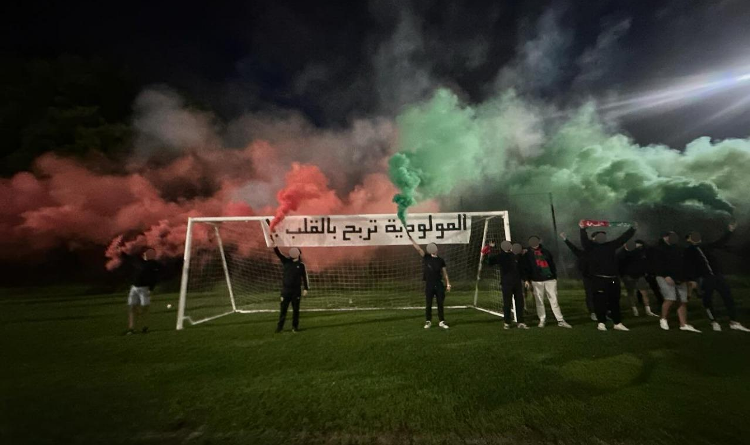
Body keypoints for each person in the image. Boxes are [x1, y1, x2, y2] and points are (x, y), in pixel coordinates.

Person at [684, 223, 750, 332]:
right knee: (707, 300)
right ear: (688, 239)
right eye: (692, 236)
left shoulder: (706, 246)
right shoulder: (688, 250)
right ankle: (714, 322)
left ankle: (734, 322)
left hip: (718, 276)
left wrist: (729, 231)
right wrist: (692, 279)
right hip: (705, 278)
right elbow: (688, 266)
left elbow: (720, 242)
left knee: (728, 298)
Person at [580, 222, 637, 331]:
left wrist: (632, 229)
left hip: (613, 279)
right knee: (599, 301)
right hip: (599, 279)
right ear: (595, 238)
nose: (602, 238)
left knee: (614, 301)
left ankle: (617, 323)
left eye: (604, 236)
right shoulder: (591, 247)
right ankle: (601, 322)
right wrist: (582, 229)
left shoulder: (610, 245)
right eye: (599, 236)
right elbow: (584, 240)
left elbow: (623, 238)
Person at [653, 231, 700, 333]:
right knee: (670, 298)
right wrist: (666, 275)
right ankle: (663, 319)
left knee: (683, 300)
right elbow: (657, 264)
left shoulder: (678, 248)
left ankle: (683, 324)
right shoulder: (658, 248)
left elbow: (685, 264)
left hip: (679, 277)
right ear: (665, 237)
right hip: (663, 276)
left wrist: (690, 278)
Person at [521, 236, 572, 328]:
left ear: (539, 241)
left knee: (554, 300)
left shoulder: (546, 252)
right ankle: (542, 319)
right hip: (536, 280)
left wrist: (554, 276)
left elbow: (552, 264)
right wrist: (526, 280)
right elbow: (525, 268)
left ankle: (560, 320)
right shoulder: (527, 254)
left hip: (550, 279)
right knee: (539, 301)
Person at [406, 231, 451, 329]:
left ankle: (441, 321)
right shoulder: (426, 257)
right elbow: (418, 249)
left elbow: (444, 273)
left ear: (436, 249)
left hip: (439, 284)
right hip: (429, 284)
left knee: (440, 304)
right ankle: (428, 321)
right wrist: (412, 240)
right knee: (428, 304)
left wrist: (448, 284)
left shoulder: (441, 260)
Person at [482, 240, 528, 329]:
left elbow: (521, 269)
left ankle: (521, 322)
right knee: (507, 303)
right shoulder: (500, 256)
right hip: (506, 283)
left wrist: (525, 280)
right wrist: (487, 251)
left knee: (520, 303)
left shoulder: (516, 255)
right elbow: (488, 262)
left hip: (517, 283)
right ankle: (507, 322)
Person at [270, 239, 309, 333]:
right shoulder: (286, 261)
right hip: (286, 291)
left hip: (296, 291)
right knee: (283, 310)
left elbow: (304, 277)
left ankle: (295, 327)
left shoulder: (301, 265)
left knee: (296, 310)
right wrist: (274, 245)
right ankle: (280, 327)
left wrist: (306, 288)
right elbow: (278, 253)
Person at [559, 232, 596, 321]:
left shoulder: (600, 252)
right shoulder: (583, 253)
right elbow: (573, 248)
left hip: (600, 276)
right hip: (588, 276)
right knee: (590, 295)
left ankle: (603, 311)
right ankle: (593, 312)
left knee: (601, 294)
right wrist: (565, 239)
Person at [618, 239, 659, 317]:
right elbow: (620, 265)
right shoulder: (621, 254)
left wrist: (643, 271)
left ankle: (647, 310)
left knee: (643, 292)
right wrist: (622, 275)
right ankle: (635, 310)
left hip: (638, 275)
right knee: (632, 293)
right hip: (628, 276)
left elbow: (642, 262)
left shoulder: (636, 252)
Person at [125, 247, 160, 335]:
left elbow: (155, 278)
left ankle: (144, 326)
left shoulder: (153, 264)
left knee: (144, 308)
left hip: (144, 289)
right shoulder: (138, 261)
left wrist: (151, 289)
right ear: (144, 253)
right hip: (134, 288)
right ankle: (131, 328)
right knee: (132, 307)